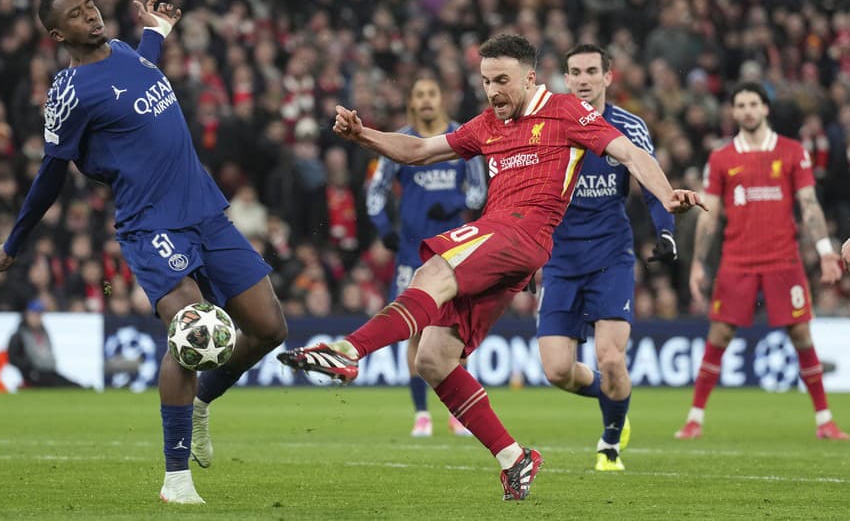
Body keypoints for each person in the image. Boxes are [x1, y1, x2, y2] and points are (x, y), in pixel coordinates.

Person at [277, 34, 704, 501]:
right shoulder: (486, 124)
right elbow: (418, 151)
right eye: (485, 81)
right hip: (506, 245)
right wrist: (363, 135)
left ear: (530, 78)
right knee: (433, 360)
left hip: (524, 231)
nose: (492, 91)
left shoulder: (565, 111)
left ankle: (348, 350)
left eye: (502, 80)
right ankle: (513, 457)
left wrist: (666, 195)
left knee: (432, 273)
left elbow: (630, 153)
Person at [0, 0, 288, 504]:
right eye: (75, 15)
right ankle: (176, 479)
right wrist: (15, 243)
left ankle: (204, 401)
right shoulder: (69, 91)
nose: (90, 14)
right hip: (152, 224)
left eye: (89, 5)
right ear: (58, 35)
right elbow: (51, 172)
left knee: (270, 327)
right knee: (189, 330)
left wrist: (156, 33)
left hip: (204, 207)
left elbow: (141, 71)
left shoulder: (121, 50)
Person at [675, 82, 848, 441]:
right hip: (737, 260)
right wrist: (697, 265)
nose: (748, 110)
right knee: (720, 333)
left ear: (765, 108)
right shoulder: (721, 158)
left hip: (783, 260)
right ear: (734, 112)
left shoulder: (791, 152)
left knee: (801, 333)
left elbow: (809, 204)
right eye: (741, 105)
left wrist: (824, 250)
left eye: (754, 103)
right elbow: (709, 216)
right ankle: (694, 418)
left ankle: (824, 421)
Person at [536, 44, 675, 472]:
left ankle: (610, 443)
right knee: (558, 371)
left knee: (611, 358)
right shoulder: (548, 125)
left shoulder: (627, 126)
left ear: (607, 77)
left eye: (591, 71)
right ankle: (617, 397)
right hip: (559, 259)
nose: (583, 79)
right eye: (575, 71)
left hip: (611, 256)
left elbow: (649, 179)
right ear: (565, 77)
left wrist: (665, 230)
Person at [367, 76, 487, 438]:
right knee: (414, 332)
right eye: (419, 94)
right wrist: (383, 227)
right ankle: (422, 413)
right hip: (409, 252)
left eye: (432, 92)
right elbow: (376, 191)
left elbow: (479, 192)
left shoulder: (461, 139)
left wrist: (452, 203)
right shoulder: (402, 141)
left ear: (442, 98)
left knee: (455, 332)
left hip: (453, 251)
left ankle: (456, 413)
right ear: (412, 101)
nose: (426, 100)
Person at [7, 299, 85, 388]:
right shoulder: (19, 335)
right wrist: (28, 368)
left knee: (63, 382)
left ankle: (81, 388)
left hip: (48, 371)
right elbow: (12, 358)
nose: (38, 318)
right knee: (58, 384)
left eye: (39, 315)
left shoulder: (43, 332)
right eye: (35, 314)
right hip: (33, 373)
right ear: (27, 315)